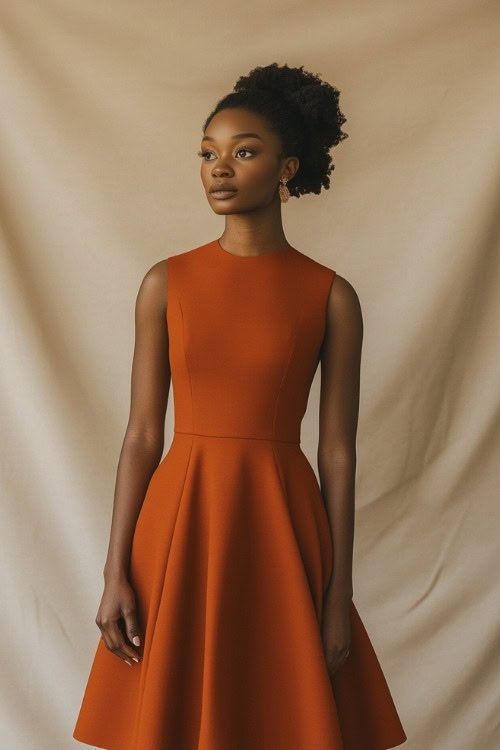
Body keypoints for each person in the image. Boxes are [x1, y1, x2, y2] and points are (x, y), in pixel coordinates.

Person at [73, 62, 407, 749]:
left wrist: (338, 595)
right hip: (178, 524)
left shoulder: (330, 296)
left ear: (287, 168)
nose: (219, 169)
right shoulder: (166, 284)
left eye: (243, 152)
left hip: (281, 524)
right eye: (207, 153)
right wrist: (114, 572)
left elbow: (338, 452)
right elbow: (141, 434)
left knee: (278, 712)